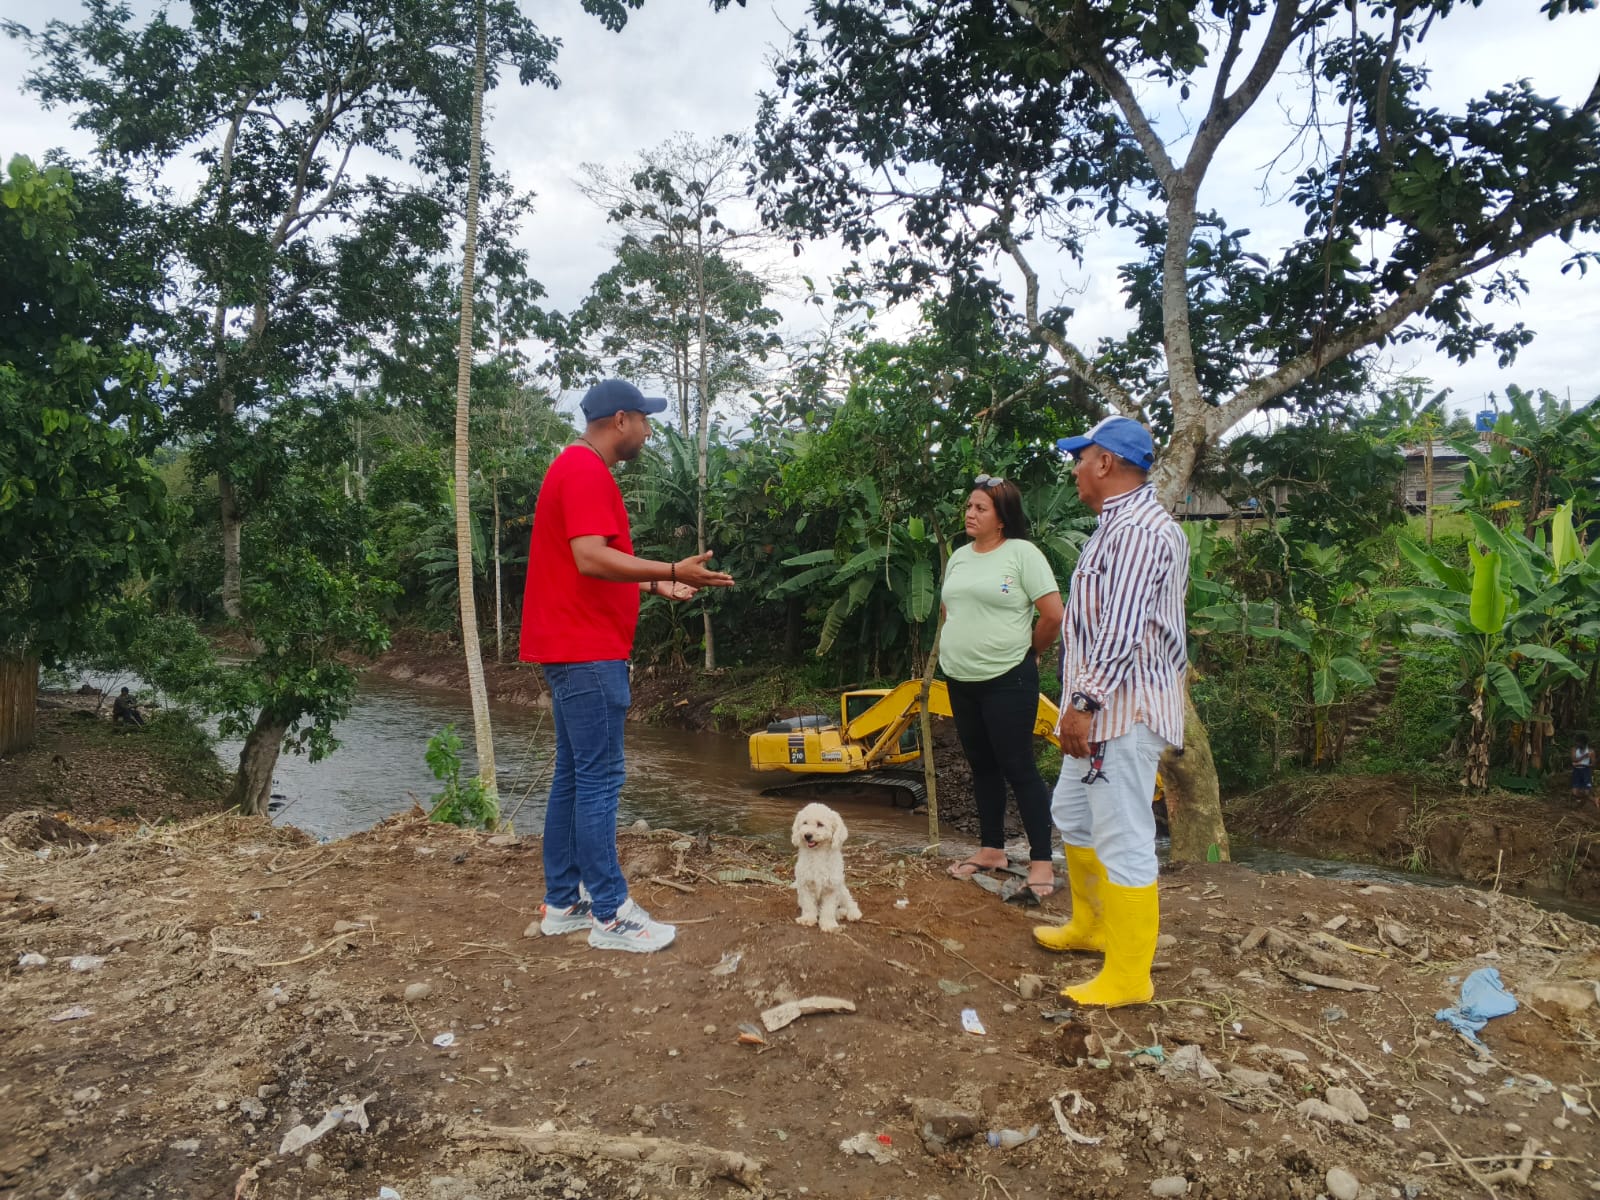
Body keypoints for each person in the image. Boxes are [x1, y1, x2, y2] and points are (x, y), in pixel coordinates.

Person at [520, 379, 735, 954]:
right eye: (644, 418)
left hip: (574, 647)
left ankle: (563, 903)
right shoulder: (586, 470)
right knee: (600, 779)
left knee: (574, 775)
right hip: (587, 652)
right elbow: (590, 557)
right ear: (620, 420)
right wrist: (673, 568)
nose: (648, 429)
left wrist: (654, 583)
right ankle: (611, 914)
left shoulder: (574, 466)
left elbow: (590, 561)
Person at [1033, 416, 1188, 1008]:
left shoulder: (1141, 532)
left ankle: (1128, 977)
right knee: (1073, 813)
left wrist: (1083, 703)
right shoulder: (1113, 527)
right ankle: (1092, 926)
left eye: (1082, 457)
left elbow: (1121, 631)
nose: (1075, 468)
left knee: (1124, 836)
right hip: (1101, 709)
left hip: (1120, 709)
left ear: (1106, 463)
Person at [941, 475, 1064, 899]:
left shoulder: (1022, 554)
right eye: (969, 506)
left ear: (1002, 518)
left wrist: (1031, 652)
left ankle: (1042, 862)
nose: (970, 514)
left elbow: (1053, 614)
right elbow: (950, 608)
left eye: (981, 508)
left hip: (1007, 678)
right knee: (982, 766)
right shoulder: (959, 557)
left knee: (1019, 767)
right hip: (960, 678)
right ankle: (992, 849)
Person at [1574, 733, 1594, 808]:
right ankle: (1581, 803)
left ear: (1583, 742)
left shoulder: (1591, 751)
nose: (1577, 743)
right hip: (1577, 772)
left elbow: (1593, 764)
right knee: (1575, 792)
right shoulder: (1575, 750)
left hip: (1586, 772)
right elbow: (1574, 760)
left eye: (1578, 742)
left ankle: (1591, 800)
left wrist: (1583, 765)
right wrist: (1584, 757)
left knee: (1586, 792)